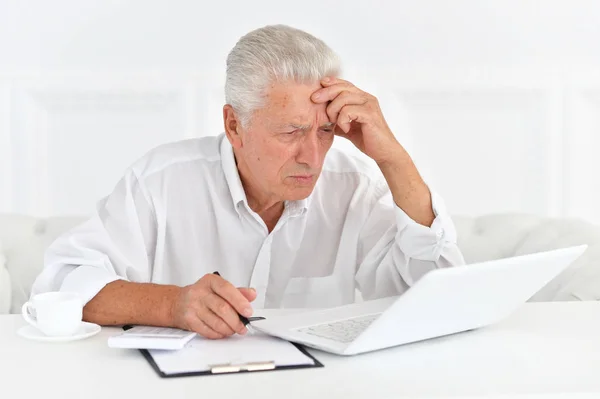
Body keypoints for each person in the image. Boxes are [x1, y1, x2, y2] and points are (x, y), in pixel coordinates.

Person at [30, 24, 465, 339]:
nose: (312, 157)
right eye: (290, 132)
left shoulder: (356, 185)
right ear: (234, 125)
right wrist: (172, 305)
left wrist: (393, 157)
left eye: (325, 131)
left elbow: (437, 295)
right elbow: (60, 283)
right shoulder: (161, 182)